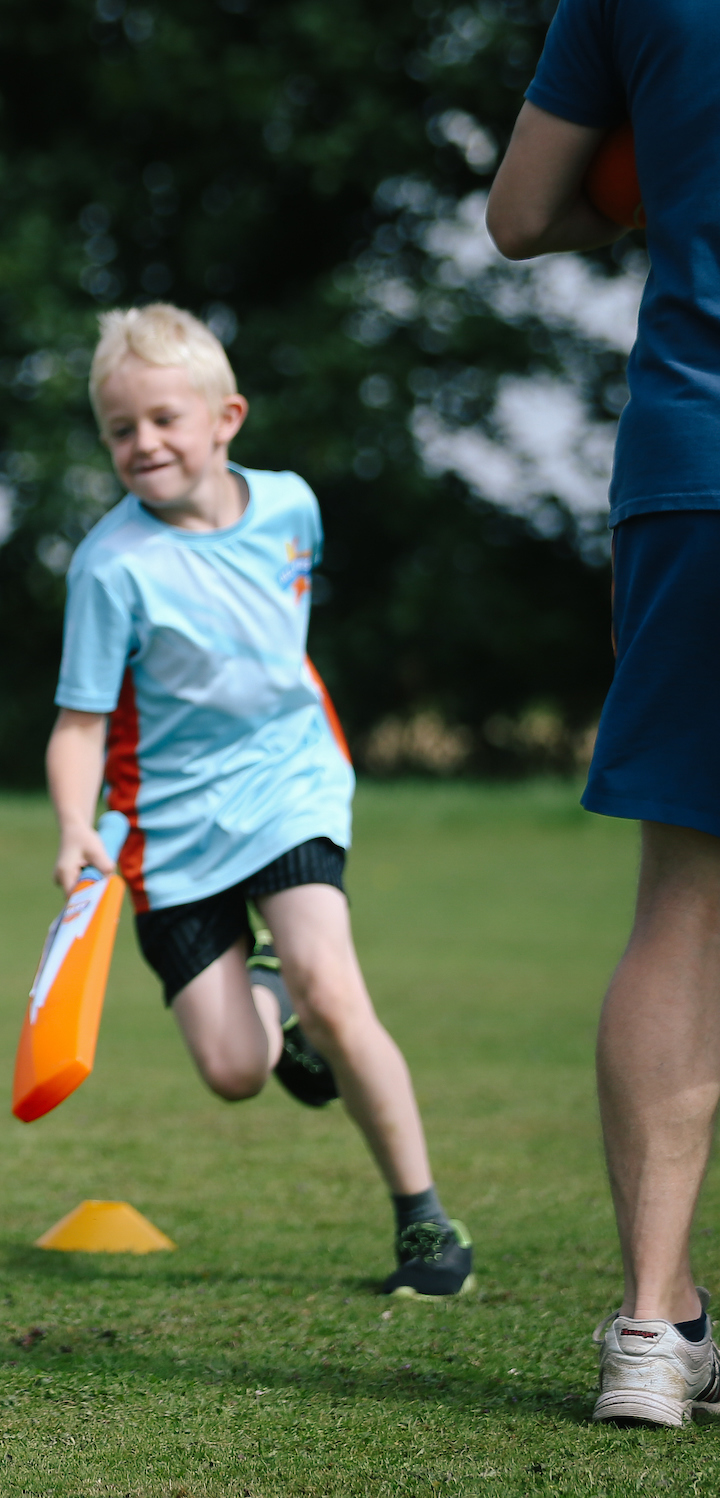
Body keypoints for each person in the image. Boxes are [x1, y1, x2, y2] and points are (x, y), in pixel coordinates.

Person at [43, 303, 472, 1300]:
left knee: (338, 987)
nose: (142, 443)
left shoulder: (292, 506)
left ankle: (424, 1223)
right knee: (236, 1067)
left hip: (291, 787)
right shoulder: (111, 568)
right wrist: (74, 824)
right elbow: (77, 725)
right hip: (171, 834)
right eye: (120, 428)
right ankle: (271, 985)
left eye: (163, 419)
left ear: (224, 417)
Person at [489, 0, 720, 1428]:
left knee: (682, 902)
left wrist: (646, 200)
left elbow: (525, 212)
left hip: (696, 456)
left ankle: (653, 1325)